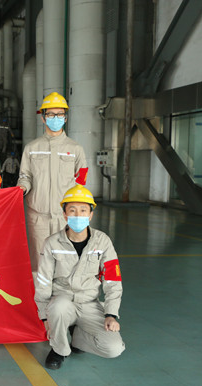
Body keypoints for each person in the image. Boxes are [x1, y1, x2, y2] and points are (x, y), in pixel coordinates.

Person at [34, 184, 124, 370]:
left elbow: (112, 281)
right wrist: (44, 317)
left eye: (83, 210)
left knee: (113, 348)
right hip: (62, 301)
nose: (78, 215)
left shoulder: (103, 241)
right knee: (58, 308)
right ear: (65, 215)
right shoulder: (52, 243)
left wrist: (111, 314)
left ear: (91, 215)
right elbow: (43, 282)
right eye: (72, 210)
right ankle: (59, 349)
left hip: (89, 303)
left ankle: (77, 337)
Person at [17, 92, 88, 274]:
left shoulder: (75, 149)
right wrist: (22, 187)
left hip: (64, 216)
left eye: (59, 114)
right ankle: (40, 293)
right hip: (37, 216)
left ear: (65, 117)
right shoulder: (32, 148)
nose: (55, 118)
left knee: (66, 261)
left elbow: (80, 184)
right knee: (39, 261)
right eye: (50, 114)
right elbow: (25, 176)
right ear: (43, 118)